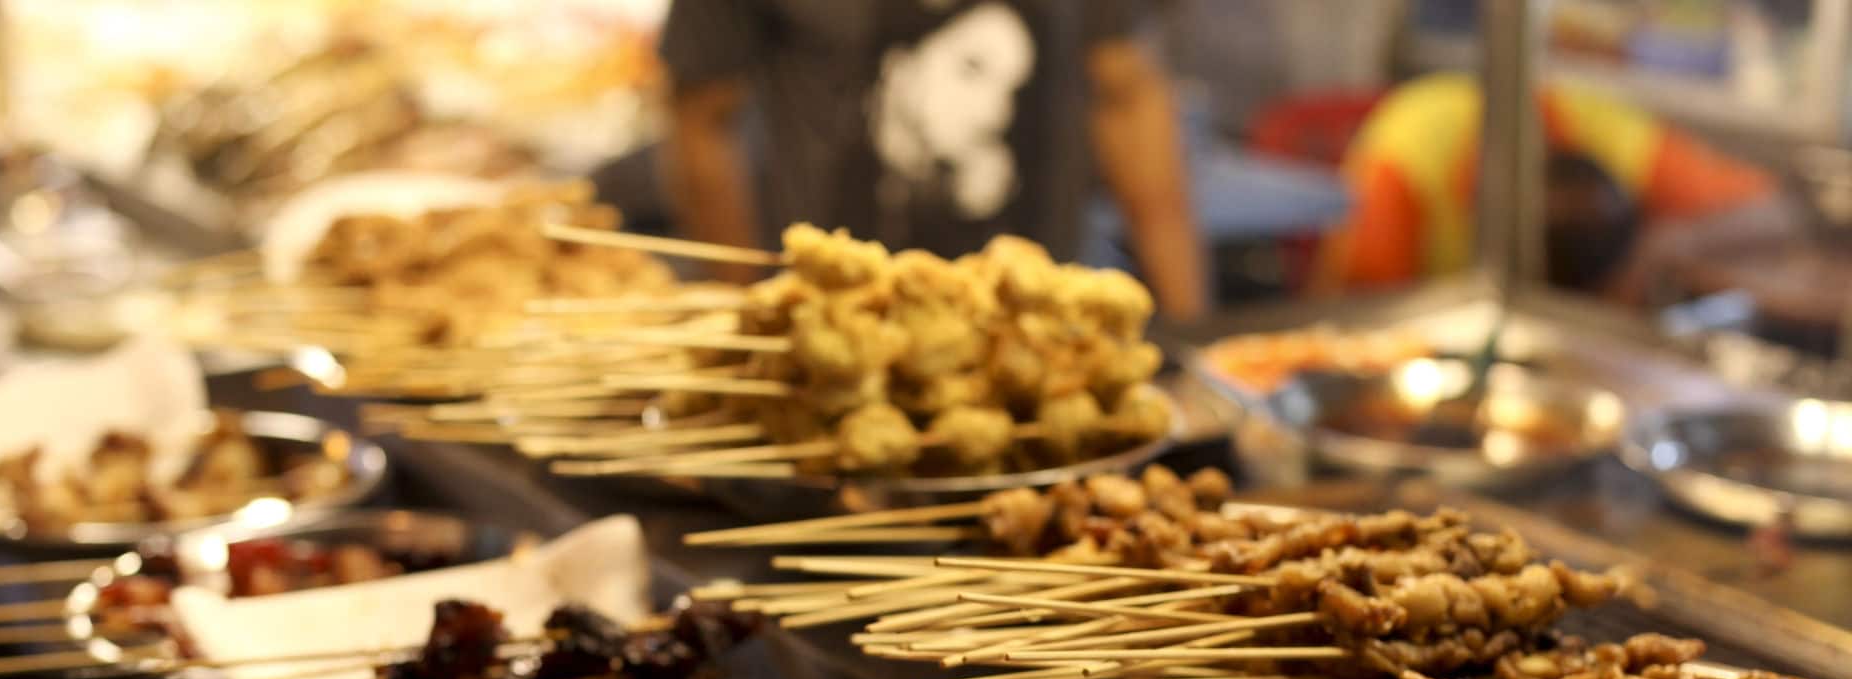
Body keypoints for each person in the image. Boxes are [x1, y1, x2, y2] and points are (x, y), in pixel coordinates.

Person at [658, 0, 1208, 319]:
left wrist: (1193, 333)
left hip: (1041, 326)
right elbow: (702, 119)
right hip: (843, 329)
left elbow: (1128, 90)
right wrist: (751, 317)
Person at [1319, 71, 1791, 301]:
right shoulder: (1402, 169)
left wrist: (1661, 246)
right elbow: (1352, 329)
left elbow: (1777, 209)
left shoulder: (1588, 127)